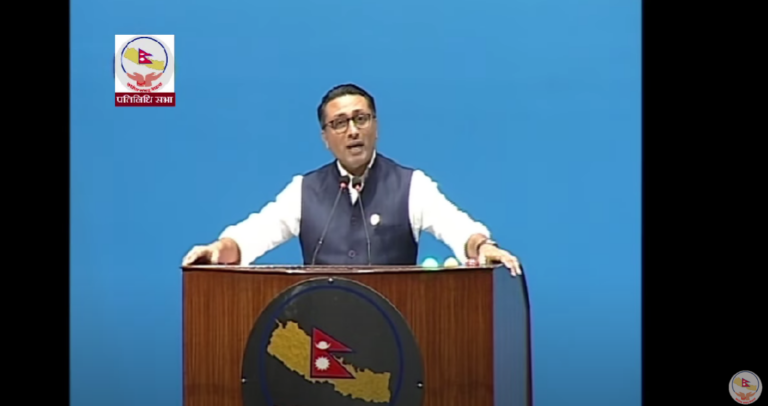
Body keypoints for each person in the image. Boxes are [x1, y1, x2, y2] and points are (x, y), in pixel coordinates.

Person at [182, 83, 522, 275]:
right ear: (325, 137)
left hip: (396, 332)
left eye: (361, 118)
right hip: (322, 336)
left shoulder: (411, 185)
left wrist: (483, 246)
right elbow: (255, 233)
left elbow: (455, 225)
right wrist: (218, 250)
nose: (353, 130)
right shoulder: (304, 190)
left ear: (376, 126)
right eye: (340, 123)